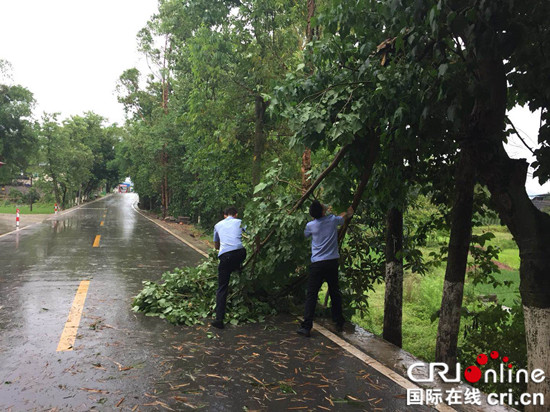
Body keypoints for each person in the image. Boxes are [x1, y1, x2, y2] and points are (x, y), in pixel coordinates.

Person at [297, 200, 353, 337]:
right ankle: (339, 321)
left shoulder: (310, 225)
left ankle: (306, 327)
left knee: (312, 294)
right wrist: (349, 211)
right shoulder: (333, 220)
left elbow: (305, 235)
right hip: (332, 262)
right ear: (323, 211)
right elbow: (344, 217)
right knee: (335, 292)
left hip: (317, 264)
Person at [211, 206, 247, 329]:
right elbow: (255, 233)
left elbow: (216, 246)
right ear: (236, 214)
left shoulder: (217, 225)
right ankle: (238, 267)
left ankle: (219, 320)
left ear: (224, 215)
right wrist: (257, 246)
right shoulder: (240, 222)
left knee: (222, 288)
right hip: (240, 253)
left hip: (225, 256)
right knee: (240, 255)